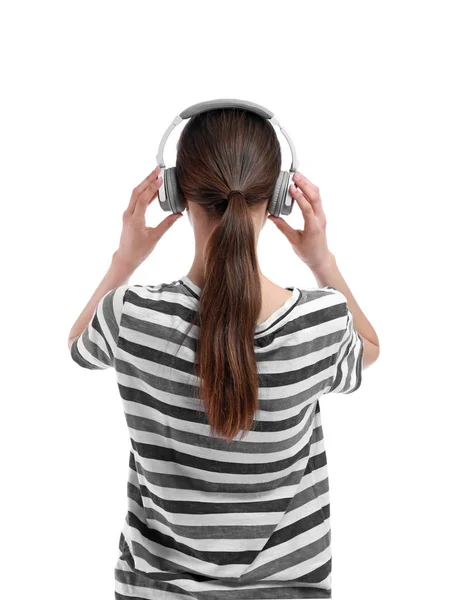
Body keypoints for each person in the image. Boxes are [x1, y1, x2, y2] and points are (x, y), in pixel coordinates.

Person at [68, 108, 380, 599]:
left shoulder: (129, 316)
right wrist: (321, 260)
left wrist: (125, 259)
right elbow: (370, 348)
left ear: (176, 194)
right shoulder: (321, 324)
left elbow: (78, 344)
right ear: (277, 197)